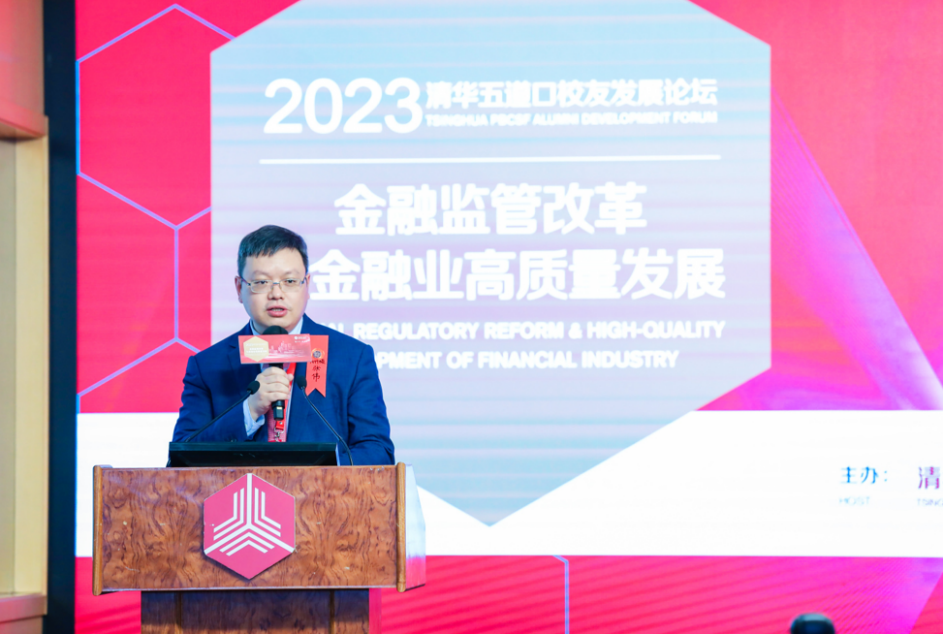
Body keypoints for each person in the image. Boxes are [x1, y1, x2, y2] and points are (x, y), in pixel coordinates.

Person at [171, 225, 394, 465]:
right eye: (261, 282)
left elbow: (378, 451)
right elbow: (181, 460)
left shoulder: (352, 358)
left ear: (307, 285)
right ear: (239, 288)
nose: (276, 294)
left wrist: (321, 474)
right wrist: (249, 411)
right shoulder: (208, 367)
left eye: (289, 281)